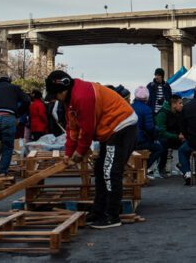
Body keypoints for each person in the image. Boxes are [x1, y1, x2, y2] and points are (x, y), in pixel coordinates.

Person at [50, 70, 137, 229]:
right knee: (99, 170)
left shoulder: (82, 96)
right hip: (109, 130)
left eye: (56, 95)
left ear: (63, 90)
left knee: (110, 172)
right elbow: (72, 129)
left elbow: (87, 130)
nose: (55, 99)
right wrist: (68, 153)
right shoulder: (69, 100)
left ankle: (112, 216)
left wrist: (79, 152)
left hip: (121, 127)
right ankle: (98, 211)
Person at [132, 86, 164, 174]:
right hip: (140, 142)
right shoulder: (146, 109)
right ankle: (143, 168)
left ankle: (137, 169)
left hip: (129, 141)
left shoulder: (129, 107)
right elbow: (149, 128)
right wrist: (155, 135)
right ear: (146, 97)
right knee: (159, 148)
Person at [155, 96, 184, 176]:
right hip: (163, 137)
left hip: (175, 135)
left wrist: (182, 134)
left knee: (186, 143)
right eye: (180, 103)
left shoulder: (179, 113)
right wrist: (177, 136)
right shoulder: (162, 113)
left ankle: (182, 165)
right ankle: (161, 167)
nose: (182, 105)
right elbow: (161, 132)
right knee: (163, 144)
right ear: (174, 104)